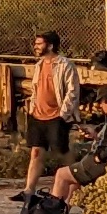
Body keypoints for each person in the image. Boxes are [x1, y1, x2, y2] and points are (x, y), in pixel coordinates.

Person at [20, 31, 81, 198]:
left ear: (50, 46)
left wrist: (64, 113)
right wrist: (32, 108)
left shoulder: (65, 65)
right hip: (38, 115)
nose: (36, 46)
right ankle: (29, 190)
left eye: (39, 44)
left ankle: (78, 180)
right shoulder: (39, 65)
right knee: (36, 152)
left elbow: (72, 90)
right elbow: (35, 89)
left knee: (61, 151)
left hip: (56, 116)